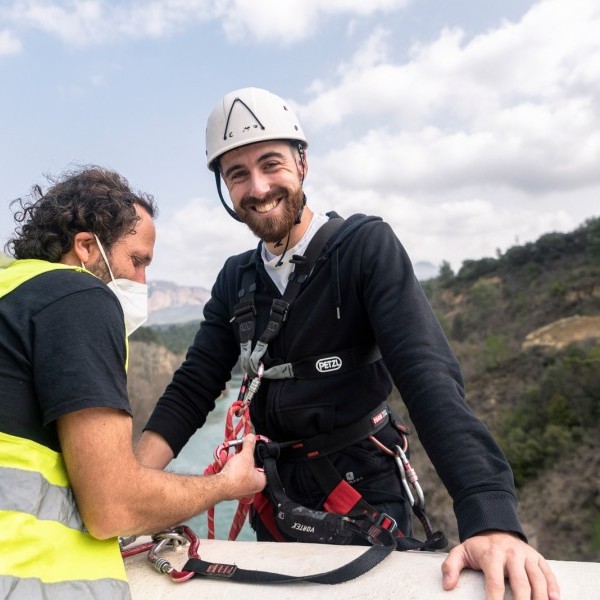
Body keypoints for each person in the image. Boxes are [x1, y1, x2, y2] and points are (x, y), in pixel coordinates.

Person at [136, 88, 560, 599]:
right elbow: (193, 387)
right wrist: (131, 486)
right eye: (238, 174)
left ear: (303, 162)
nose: (258, 186)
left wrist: (489, 515)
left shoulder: (362, 248)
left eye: (271, 164)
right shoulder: (237, 279)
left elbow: (426, 375)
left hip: (362, 484)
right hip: (277, 489)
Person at [0, 166, 265, 599]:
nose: (142, 281)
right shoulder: (80, 296)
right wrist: (227, 485)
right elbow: (113, 506)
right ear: (86, 246)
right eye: (136, 261)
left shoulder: (10, 291)